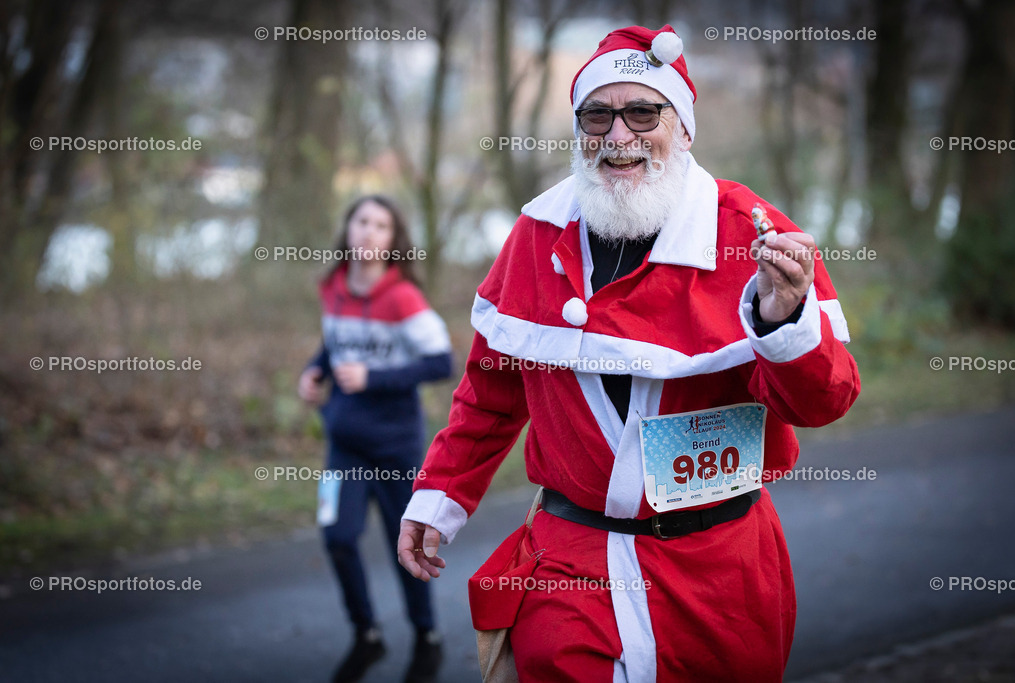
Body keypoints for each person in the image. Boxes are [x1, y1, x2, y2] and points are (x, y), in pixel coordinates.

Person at [397, 25, 860, 682]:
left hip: (722, 572)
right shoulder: (537, 233)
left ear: (684, 129)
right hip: (572, 562)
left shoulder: (754, 236)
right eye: (598, 116)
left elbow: (823, 403)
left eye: (644, 113)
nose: (618, 136)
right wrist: (438, 496)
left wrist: (782, 319)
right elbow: (490, 392)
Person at [298, 195, 452, 683]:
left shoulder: (402, 297)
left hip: (395, 446)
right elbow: (334, 343)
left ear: (392, 240)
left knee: (403, 545)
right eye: (362, 221)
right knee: (336, 536)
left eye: (380, 225)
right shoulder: (333, 285)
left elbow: (441, 362)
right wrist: (314, 371)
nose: (368, 231)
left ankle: (427, 638)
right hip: (343, 444)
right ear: (348, 228)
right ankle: (366, 635)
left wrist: (372, 378)